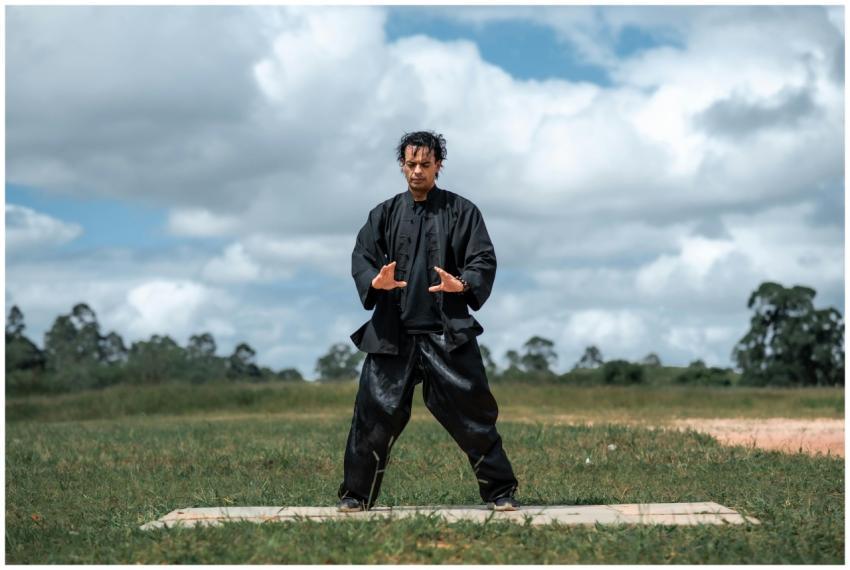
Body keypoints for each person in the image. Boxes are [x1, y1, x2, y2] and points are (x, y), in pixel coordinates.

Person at [337, 130, 519, 513]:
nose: (417, 170)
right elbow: (362, 255)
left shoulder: (462, 211)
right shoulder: (383, 213)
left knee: (474, 415)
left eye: (425, 163)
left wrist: (463, 283)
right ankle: (355, 496)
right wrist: (375, 280)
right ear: (402, 166)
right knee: (373, 417)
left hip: (446, 333)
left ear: (439, 165)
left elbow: (482, 258)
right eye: (410, 164)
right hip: (392, 335)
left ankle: (500, 491)